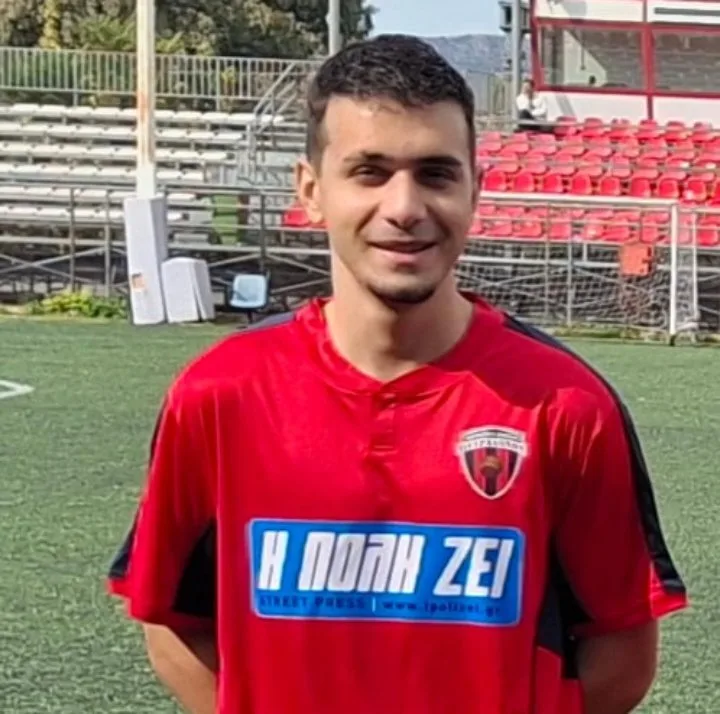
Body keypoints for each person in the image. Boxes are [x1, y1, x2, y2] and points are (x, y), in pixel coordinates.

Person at [107, 34, 687, 714]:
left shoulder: (566, 405)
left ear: (475, 191)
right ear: (311, 191)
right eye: (369, 172)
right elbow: (169, 617)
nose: (405, 207)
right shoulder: (219, 394)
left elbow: (622, 651)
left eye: (436, 174)